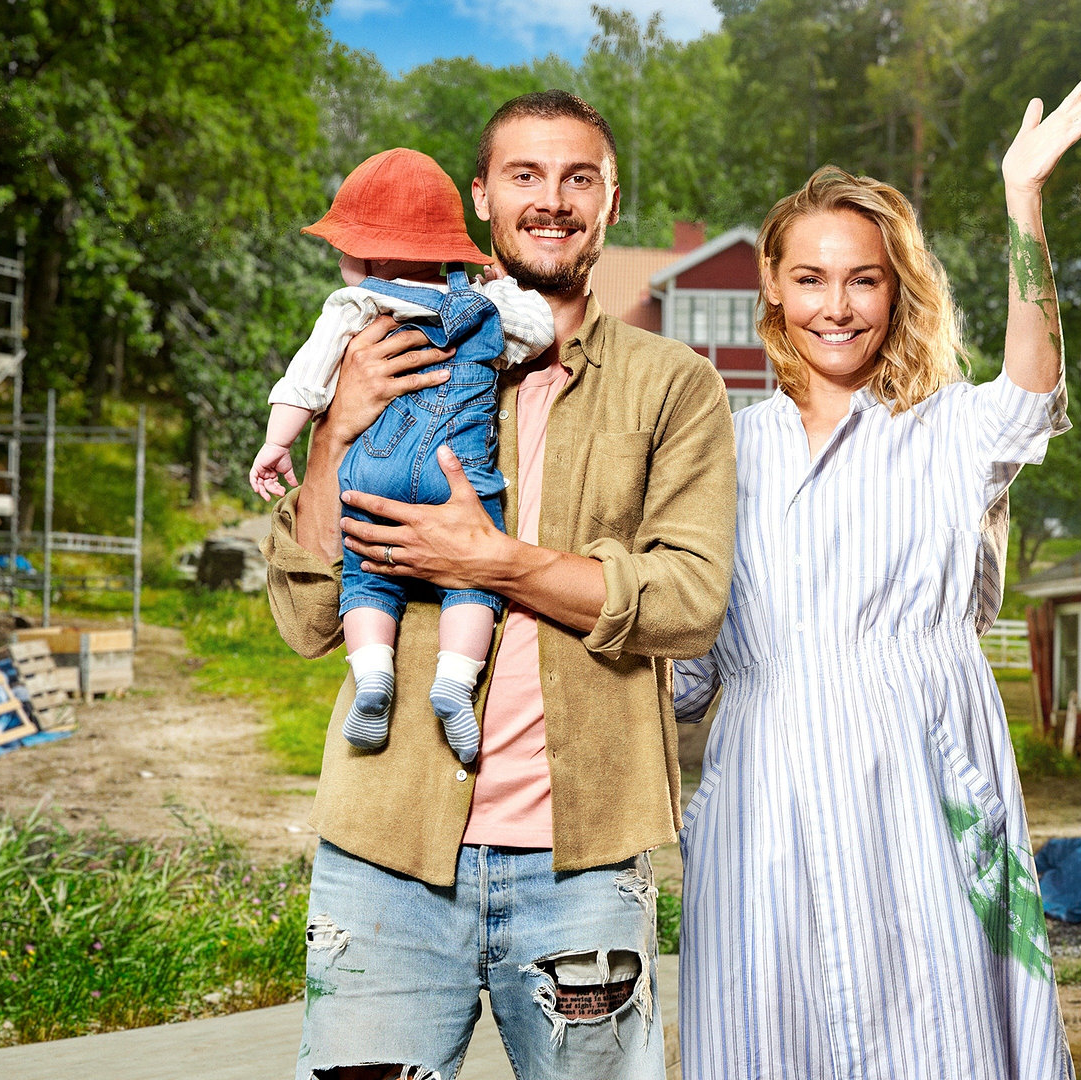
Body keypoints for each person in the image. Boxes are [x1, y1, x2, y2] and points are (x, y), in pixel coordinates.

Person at [261, 90, 736, 1080]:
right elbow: (307, 616)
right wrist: (335, 431)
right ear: (481, 197)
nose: (551, 200)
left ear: (610, 201)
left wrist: (497, 565)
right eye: (525, 175)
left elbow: (690, 601)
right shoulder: (384, 351)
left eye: (578, 179)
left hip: (583, 864)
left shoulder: (674, 384)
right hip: (385, 847)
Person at [673, 74, 1081, 1080]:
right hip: (762, 800)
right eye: (813, 280)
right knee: (764, 1036)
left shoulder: (947, 432)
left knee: (942, 1036)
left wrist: (1023, 203)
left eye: (863, 279)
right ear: (775, 295)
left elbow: (1032, 383)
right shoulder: (721, 451)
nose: (837, 306)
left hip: (926, 786)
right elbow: (682, 663)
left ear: (896, 290)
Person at [249, 147, 556, 763]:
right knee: (474, 576)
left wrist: (280, 442)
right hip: (456, 471)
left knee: (366, 576)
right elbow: (537, 332)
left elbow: (306, 378)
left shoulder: (356, 307)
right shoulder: (482, 306)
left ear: (365, 257)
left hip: (375, 469)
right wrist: (505, 290)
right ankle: (453, 683)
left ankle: (373, 680)